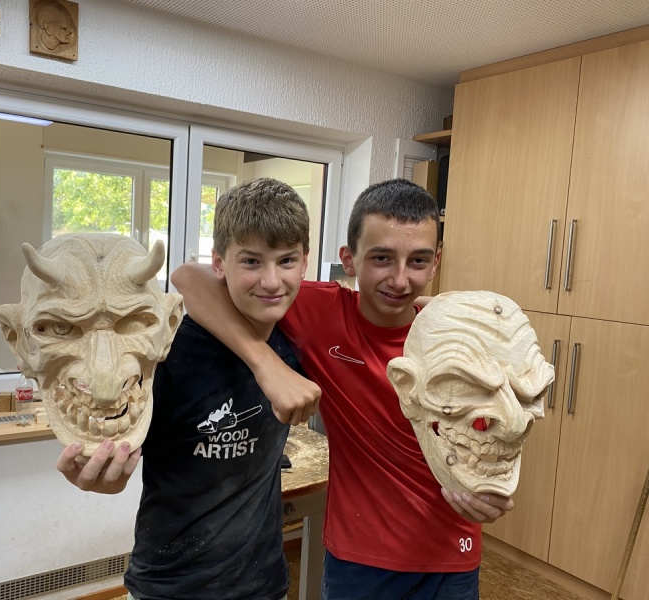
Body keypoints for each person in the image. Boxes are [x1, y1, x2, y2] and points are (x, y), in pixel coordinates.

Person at [172, 178, 514, 600]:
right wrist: (265, 364)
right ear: (349, 260)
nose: (400, 280)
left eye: (418, 261)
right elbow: (189, 276)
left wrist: (494, 490)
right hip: (360, 559)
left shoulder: (460, 339)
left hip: (452, 554)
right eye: (382, 258)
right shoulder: (319, 313)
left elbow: (491, 438)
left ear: (436, 262)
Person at [57, 177, 312, 600]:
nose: (271, 281)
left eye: (286, 261)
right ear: (219, 263)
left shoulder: (301, 336)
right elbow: (117, 453)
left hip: (264, 584)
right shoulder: (168, 353)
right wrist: (101, 473)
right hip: (170, 587)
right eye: (250, 261)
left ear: (305, 263)